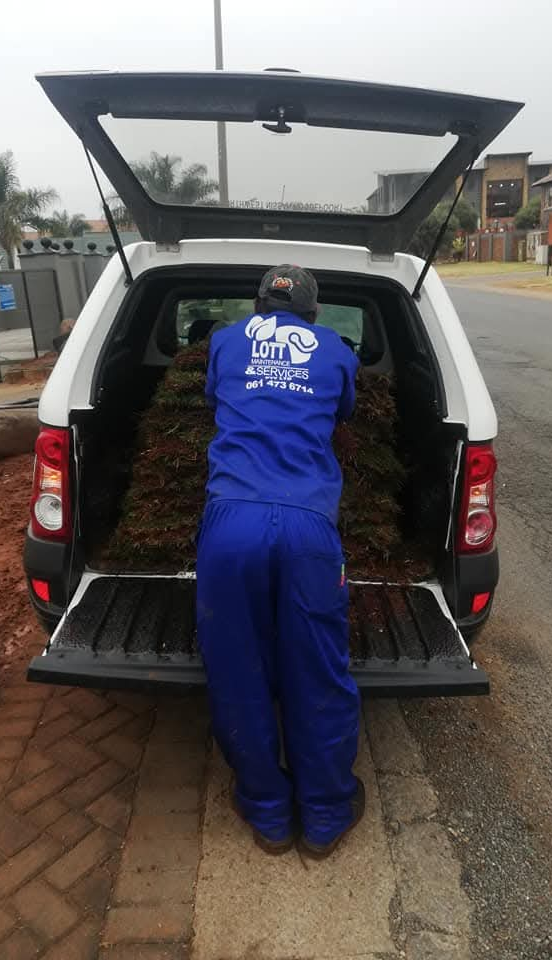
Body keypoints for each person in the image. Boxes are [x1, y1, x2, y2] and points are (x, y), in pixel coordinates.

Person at [196, 264, 364, 859]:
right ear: (313, 313)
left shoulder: (223, 341)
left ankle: (267, 813)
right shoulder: (338, 352)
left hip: (230, 523)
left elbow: (216, 396)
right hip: (308, 528)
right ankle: (323, 816)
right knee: (316, 666)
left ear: (258, 304)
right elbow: (344, 412)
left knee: (236, 669)